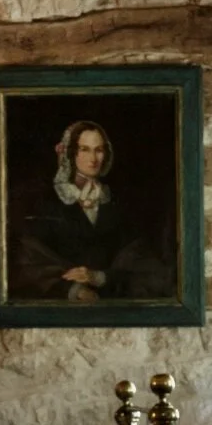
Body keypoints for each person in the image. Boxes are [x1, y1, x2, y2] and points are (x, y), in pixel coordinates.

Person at [12, 117, 167, 304]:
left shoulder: (117, 203)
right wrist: (73, 290)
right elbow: (27, 266)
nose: (93, 159)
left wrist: (98, 277)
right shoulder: (45, 201)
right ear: (71, 153)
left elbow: (144, 265)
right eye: (84, 149)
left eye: (99, 150)